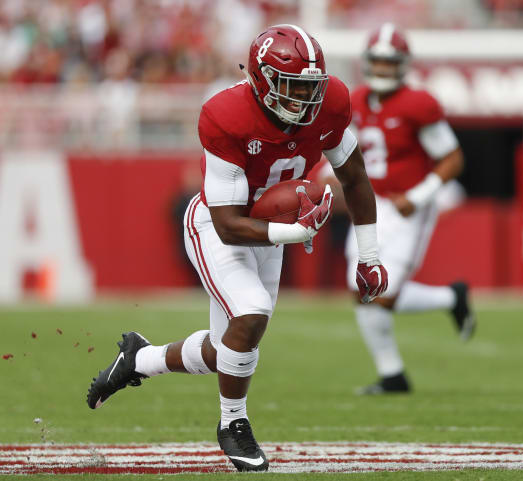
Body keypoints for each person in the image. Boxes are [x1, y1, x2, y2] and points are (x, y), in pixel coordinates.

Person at [85, 24, 389, 473]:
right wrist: (298, 232)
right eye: (293, 87)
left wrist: (370, 256)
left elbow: (355, 177)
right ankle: (233, 424)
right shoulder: (226, 114)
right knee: (252, 313)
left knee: (224, 350)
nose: (305, 98)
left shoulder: (333, 104)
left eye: (311, 87)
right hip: (216, 223)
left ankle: (139, 358)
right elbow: (228, 224)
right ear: (263, 80)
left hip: (274, 230)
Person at [324, 24, 475, 395]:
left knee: (381, 294)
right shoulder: (354, 100)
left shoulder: (418, 104)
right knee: (362, 290)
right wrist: (322, 177)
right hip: (368, 205)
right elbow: (343, 152)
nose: (384, 68)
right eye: (378, 61)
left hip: (407, 207)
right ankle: (393, 374)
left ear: (403, 64)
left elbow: (453, 159)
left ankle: (448, 301)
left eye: (390, 62)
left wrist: (421, 195)